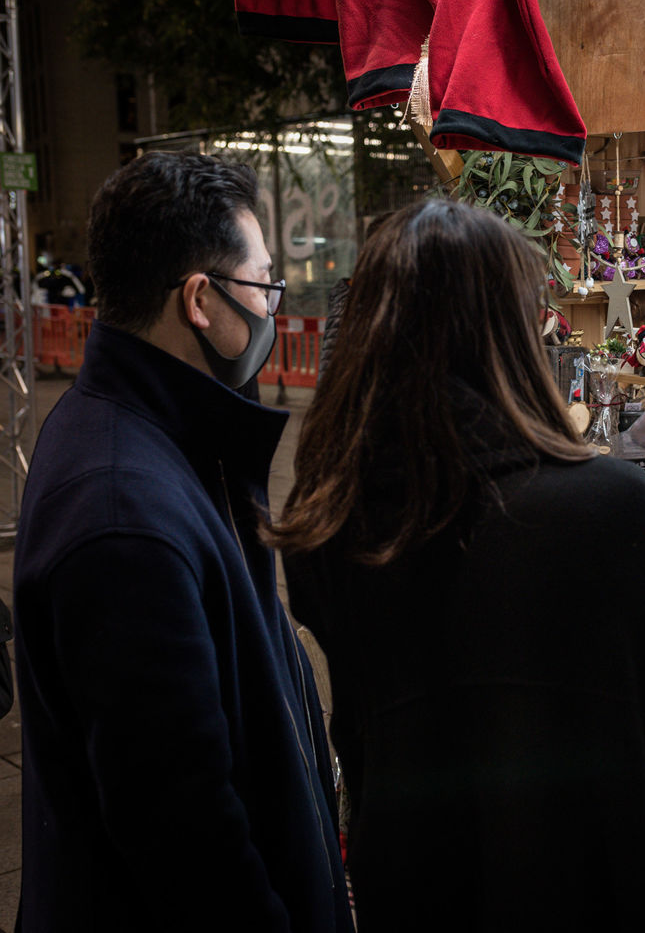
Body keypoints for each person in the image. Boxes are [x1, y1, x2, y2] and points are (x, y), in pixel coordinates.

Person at [270, 199, 645, 932]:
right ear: (512, 334)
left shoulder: (328, 525)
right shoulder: (614, 511)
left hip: (418, 896)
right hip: (600, 893)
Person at [12, 152, 353, 932]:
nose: (270, 308)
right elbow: (187, 839)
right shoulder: (121, 517)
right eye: (262, 285)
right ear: (199, 299)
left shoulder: (167, 434)